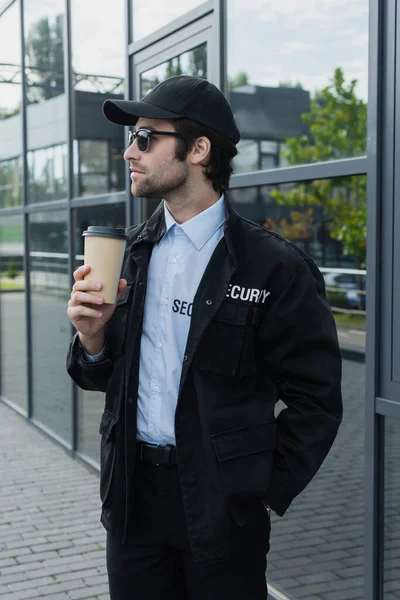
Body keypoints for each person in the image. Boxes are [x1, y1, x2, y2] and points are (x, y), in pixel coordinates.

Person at [66, 75, 342, 600]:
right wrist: (92, 340)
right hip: (131, 504)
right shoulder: (129, 252)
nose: (129, 151)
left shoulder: (273, 268)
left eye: (146, 138)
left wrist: (261, 490)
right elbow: (94, 374)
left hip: (222, 511)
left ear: (198, 149)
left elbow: (318, 401)